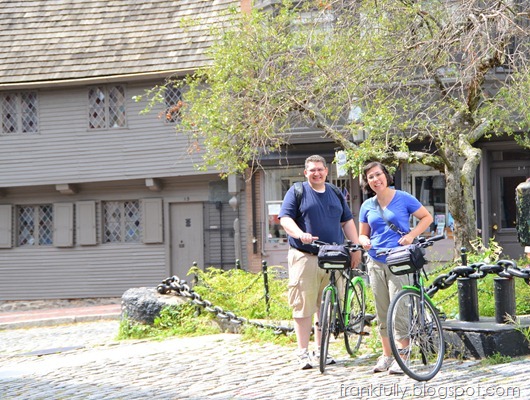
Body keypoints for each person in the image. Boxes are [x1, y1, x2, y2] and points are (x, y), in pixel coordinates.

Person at [279, 154, 361, 370]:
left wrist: (355, 247)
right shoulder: (297, 191)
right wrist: (299, 233)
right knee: (303, 305)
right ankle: (302, 353)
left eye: (320, 169)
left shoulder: (335, 193)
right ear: (306, 173)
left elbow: (347, 221)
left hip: (333, 257)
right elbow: (285, 219)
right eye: (312, 170)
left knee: (327, 306)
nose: (316, 173)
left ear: (326, 171)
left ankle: (321, 350)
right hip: (305, 256)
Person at [358, 161, 433, 375]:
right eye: (370, 176)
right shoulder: (367, 205)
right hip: (375, 260)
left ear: (386, 176)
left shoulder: (403, 198)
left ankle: (404, 355)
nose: (375, 179)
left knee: (398, 308)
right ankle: (387, 356)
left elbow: (426, 217)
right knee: (382, 310)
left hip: (399, 259)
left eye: (378, 174)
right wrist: (364, 240)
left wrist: (411, 236)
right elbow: (362, 232)